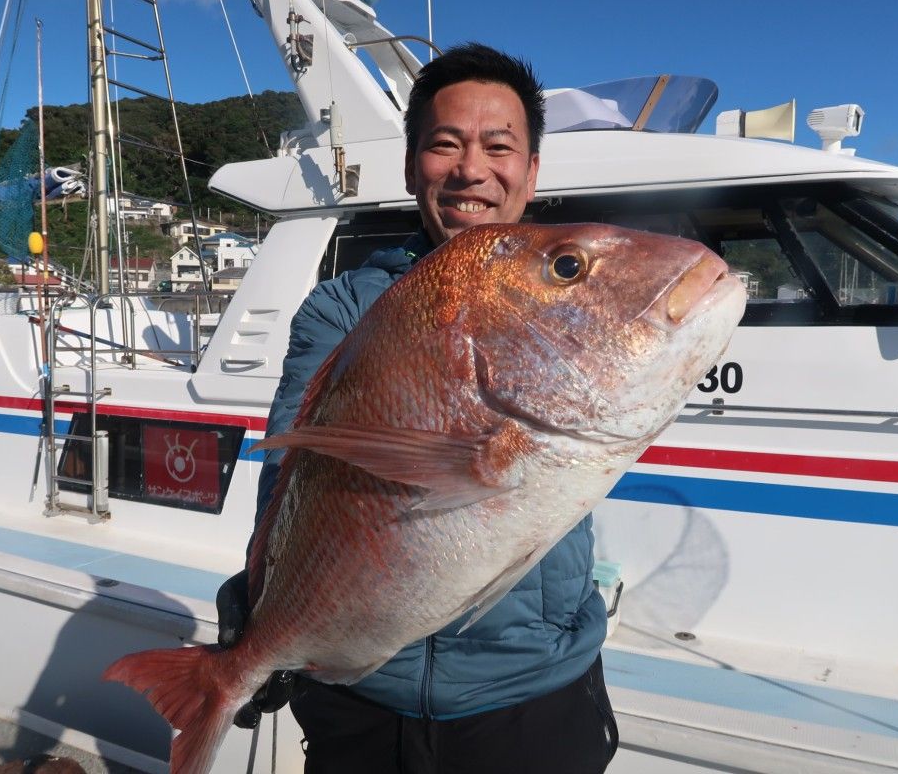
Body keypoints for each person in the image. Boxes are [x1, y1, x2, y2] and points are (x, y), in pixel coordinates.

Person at [217, 43, 618, 773]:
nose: (471, 169)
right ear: (411, 167)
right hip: (369, 701)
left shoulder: (568, 299)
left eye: (500, 146)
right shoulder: (343, 307)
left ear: (531, 171)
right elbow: (293, 467)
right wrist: (262, 594)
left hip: (533, 693)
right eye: (445, 144)